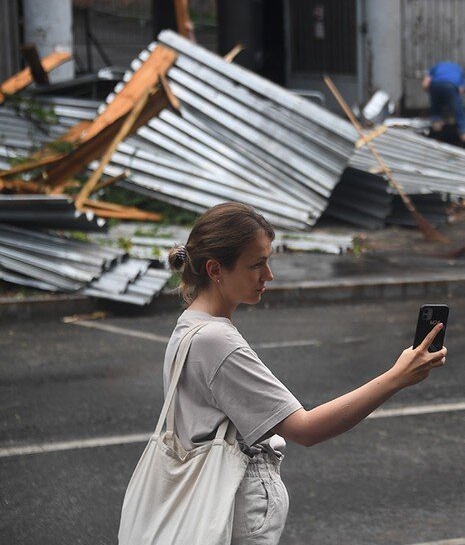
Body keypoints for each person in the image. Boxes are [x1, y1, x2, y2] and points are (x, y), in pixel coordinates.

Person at [159, 202, 447, 543]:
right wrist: (396, 378)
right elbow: (306, 429)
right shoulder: (216, 341)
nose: (268, 275)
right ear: (215, 269)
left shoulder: (189, 325)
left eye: (268, 261)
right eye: (257, 264)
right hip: (232, 517)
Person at [422, 61, 465, 144]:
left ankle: (436, 133)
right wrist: (455, 100)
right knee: (459, 113)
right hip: (451, 86)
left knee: (436, 111)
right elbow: (461, 89)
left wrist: (431, 94)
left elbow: (425, 84)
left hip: (435, 85)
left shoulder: (436, 66)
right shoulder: (459, 70)